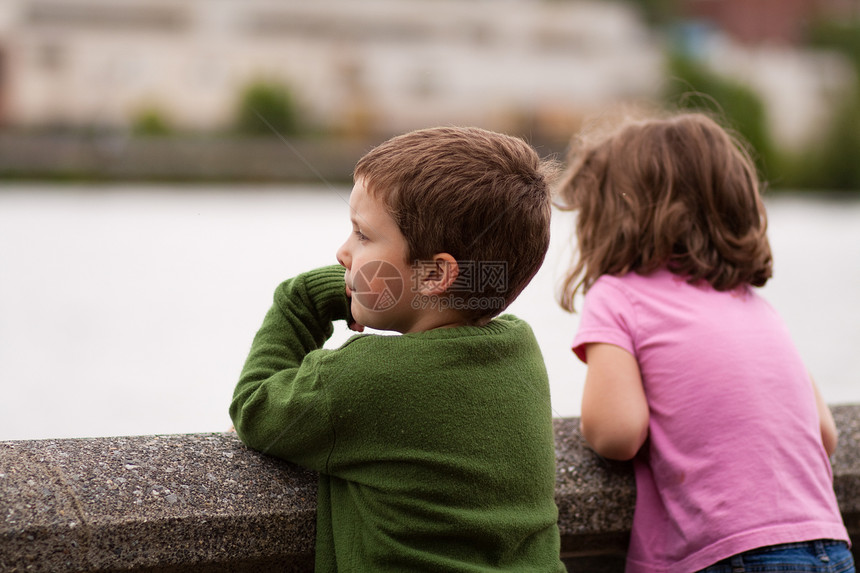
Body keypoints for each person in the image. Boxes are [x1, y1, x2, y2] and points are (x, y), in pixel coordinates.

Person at [230, 126, 566, 572]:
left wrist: (303, 300)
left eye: (363, 236)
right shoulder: (519, 351)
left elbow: (255, 410)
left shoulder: (365, 376)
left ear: (434, 276)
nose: (342, 253)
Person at [555, 111, 853, 573]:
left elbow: (616, 432)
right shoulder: (752, 303)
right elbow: (826, 434)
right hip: (827, 545)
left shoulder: (618, 296)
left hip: (728, 555)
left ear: (610, 215)